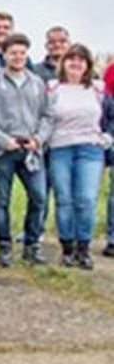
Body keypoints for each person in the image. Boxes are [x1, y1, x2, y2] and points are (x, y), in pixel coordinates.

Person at [0, 34, 52, 267]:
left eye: (22, 53)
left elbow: (47, 115)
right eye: (13, 53)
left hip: (31, 149)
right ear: (4, 55)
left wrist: (38, 139)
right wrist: (2, 139)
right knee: (2, 199)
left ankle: (32, 244)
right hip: (3, 150)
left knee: (39, 197)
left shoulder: (36, 82)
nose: (18, 57)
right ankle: (4, 245)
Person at [47, 45, 107, 269]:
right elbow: (44, 117)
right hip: (60, 148)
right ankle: (67, 248)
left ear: (88, 65)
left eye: (81, 60)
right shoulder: (53, 88)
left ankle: (83, 248)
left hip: (90, 148)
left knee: (86, 200)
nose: (76, 63)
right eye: (71, 59)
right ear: (63, 63)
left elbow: (110, 116)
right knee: (64, 199)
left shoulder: (98, 89)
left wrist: (108, 137)